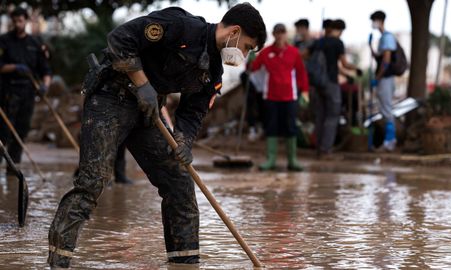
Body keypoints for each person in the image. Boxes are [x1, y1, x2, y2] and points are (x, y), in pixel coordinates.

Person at [47, 4, 266, 268]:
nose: (243, 53)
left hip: (147, 112)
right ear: (235, 31)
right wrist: (142, 83)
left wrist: (184, 141)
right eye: (246, 46)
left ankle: (184, 262)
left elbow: (193, 111)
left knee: (179, 182)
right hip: (110, 98)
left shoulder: (214, 71)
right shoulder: (181, 25)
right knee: (93, 181)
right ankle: (58, 260)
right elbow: (119, 39)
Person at [251, 23, 309, 172]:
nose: (280, 35)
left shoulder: (294, 52)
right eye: (277, 32)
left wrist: (305, 91)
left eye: (282, 32)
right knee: (271, 127)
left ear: (285, 34)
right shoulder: (265, 52)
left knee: (291, 127)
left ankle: (292, 160)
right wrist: (251, 58)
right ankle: (271, 159)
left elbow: (301, 73)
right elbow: (254, 67)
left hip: (290, 96)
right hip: (270, 96)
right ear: (274, 34)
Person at [0, 7, 51, 175]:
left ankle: (13, 167)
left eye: (20, 21)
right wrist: (13, 67)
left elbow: (45, 70)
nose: (17, 24)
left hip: (28, 92)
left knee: (22, 129)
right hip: (8, 92)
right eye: (14, 21)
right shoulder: (4, 41)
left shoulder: (35, 43)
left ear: (26, 20)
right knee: (4, 131)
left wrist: (45, 86)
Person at [309, 19, 362, 156]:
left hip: (317, 83)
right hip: (331, 83)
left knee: (320, 116)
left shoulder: (319, 42)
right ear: (340, 30)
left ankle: (318, 148)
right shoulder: (337, 43)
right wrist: (356, 69)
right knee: (332, 117)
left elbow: (306, 57)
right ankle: (326, 150)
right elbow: (344, 64)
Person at [370, 10, 397, 151]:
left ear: (379, 20)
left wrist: (378, 77)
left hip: (385, 79)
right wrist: (371, 47)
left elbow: (386, 60)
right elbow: (380, 57)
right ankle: (388, 141)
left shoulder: (387, 37)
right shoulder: (382, 38)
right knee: (384, 108)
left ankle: (390, 141)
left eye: (373, 21)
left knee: (386, 109)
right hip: (383, 78)